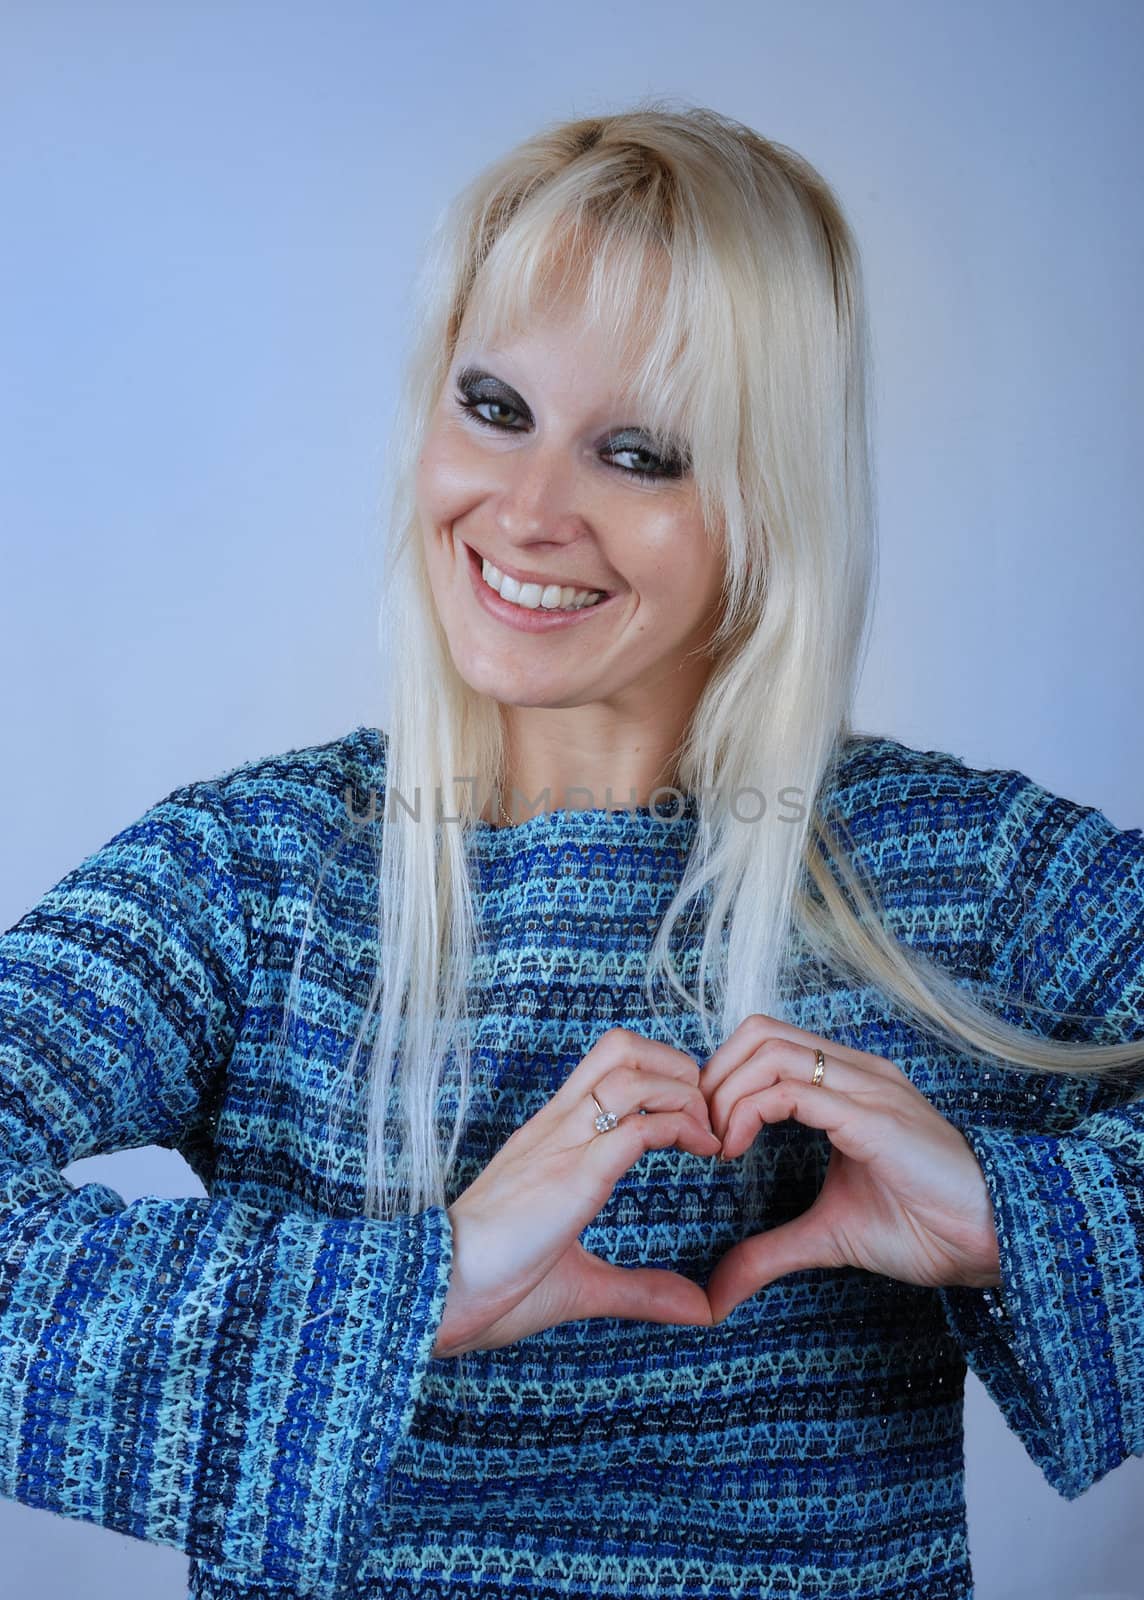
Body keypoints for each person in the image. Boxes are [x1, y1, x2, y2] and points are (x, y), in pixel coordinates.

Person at [0, 100, 1141, 1600]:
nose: (528, 511)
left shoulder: (962, 871)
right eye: (493, 407)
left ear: (768, 504)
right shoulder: (259, 875)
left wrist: (1018, 1219)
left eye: (640, 452)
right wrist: (422, 1290)